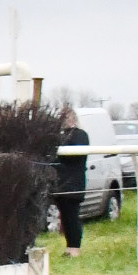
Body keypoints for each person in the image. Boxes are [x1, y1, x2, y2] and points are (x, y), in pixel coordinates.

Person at [50, 107, 89, 256]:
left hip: (73, 184)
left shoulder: (80, 135)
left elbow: (74, 155)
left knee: (72, 217)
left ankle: (74, 248)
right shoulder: (61, 135)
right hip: (60, 184)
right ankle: (69, 248)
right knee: (66, 218)